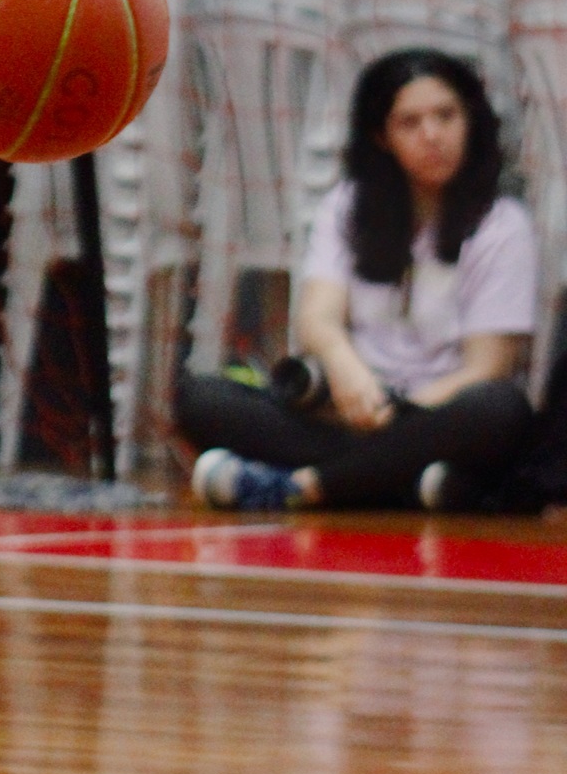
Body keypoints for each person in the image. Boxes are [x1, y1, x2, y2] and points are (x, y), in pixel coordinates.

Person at [178, 48, 537, 513]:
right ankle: (406, 485)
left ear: (471, 120)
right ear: (381, 136)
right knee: (202, 398)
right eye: (409, 123)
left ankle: (297, 487)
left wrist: (397, 415)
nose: (433, 136)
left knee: (499, 410)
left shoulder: (503, 223)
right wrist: (348, 374)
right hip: (348, 410)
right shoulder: (348, 206)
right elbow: (318, 318)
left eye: (446, 116)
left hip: (433, 416)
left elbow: (487, 366)